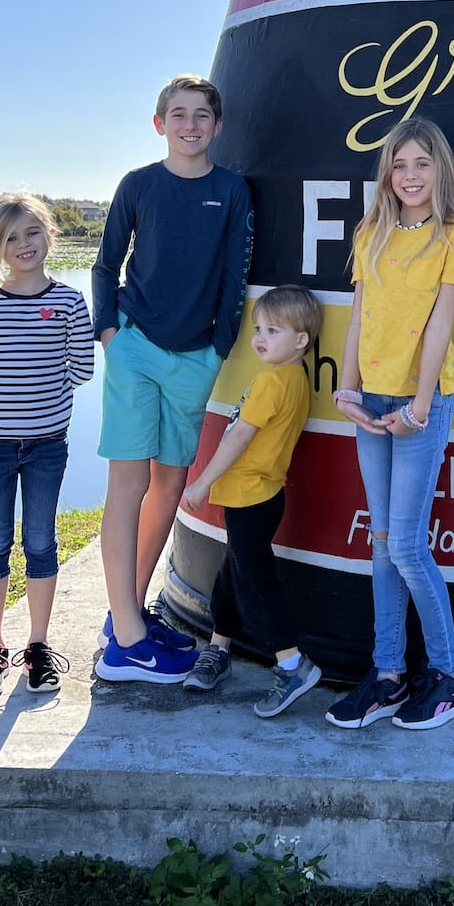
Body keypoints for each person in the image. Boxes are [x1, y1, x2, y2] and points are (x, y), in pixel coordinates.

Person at [92, 75, 253, 683]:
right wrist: (111, 335)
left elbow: (236, 278)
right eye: (178, 114)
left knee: (170, 482)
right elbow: (106, 264)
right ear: (160, 123)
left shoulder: (230, 190)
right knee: (128, 485)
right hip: (135, 348)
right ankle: (127, 647)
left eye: (202, 115)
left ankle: (123, 615)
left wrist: (216, 350)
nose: (190, 125)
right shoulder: (139, 185)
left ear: (217, 126)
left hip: (195, 358)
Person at [326, 117, 454, 731]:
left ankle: (450, 677)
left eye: (421, 164)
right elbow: (359, 319)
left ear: (440, 169)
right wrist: (346, 387)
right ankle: (388, 676)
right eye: (399, 165)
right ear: (386, 174)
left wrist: (418, 408)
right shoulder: (372, 233)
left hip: (423, 402)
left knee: (410, 546)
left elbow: (441, 328)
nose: (410, 176)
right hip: (370, 399)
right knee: (384, 545)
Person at [0, 194, 94, 697]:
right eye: (10, 238)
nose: (23, 245)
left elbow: (82, 369)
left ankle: (37, 647)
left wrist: (39, 410)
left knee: (40, 541)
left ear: (50, 235)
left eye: (32, 233)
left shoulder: (71, 302)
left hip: (46, 445)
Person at [180, 285, 324, 717]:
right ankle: (219, 648)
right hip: (260, 496)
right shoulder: (295, 377)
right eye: (259, 328)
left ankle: (292, 663)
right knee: (234, 570)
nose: (260, 337)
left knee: (256, 582)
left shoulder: (270, 382)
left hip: (250, 496)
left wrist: (202, 481)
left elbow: (240, 435)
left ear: (301, 340)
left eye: (274, 330)